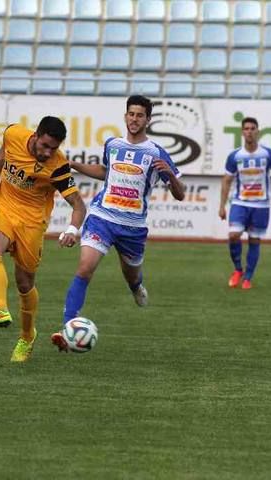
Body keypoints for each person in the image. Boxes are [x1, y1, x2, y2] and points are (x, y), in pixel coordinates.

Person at [50, 95, 186, 353]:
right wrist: (75, 165)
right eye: (131, 114)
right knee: (84, 268)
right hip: (102, 217)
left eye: (140, 115)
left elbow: (180, 193)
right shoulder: (113, 144)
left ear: (148, 119)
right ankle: (67, 328)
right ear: (126, 116)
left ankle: (136, 287)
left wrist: (169, 174)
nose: (135, 119)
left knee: (131, 273)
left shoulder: (156, 152)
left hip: (133, 227)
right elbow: (105, 172)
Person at [0, 116, 87, 363]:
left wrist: (72, 230)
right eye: (44, 145)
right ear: (35, 135)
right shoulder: (13, 133)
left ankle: (26, 336)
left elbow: (78, 205)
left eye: (53, 148)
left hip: (32, 224)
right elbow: (4, 150)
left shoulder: (58, 166)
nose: (47, 152)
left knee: (24, 284)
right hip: (4, 207)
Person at [218, 116, 271, 290]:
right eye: (246, 129)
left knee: (254, 240)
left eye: (252, 128)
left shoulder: (267, 154)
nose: (249, 131)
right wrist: (222, 205)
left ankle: (248, 277)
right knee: (234, 235)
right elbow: (226, 180)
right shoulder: (235, 156)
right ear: (242, 132)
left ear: (258, 131)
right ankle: (238, 270)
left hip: (261, 205)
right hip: (240, 202)